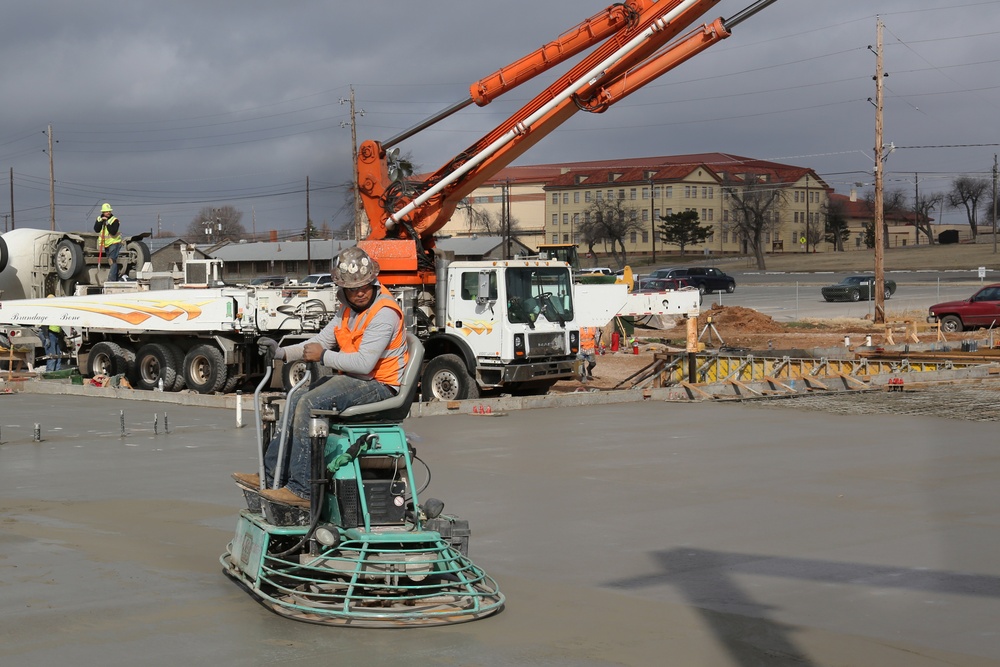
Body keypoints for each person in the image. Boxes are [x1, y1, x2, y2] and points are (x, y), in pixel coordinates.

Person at [233, 247, 409, 508]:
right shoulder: (347, 310)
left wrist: (324, 356)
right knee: (296, 399)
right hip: (357, 379)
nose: (359, 292)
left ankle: (302, 491)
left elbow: (364, 364)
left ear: (372, 281)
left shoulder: (384, 313)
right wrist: (281, 352)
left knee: (308, 403)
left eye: (364, 286)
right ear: (343, 288)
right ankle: (271, 477)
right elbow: (319, 342)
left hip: (380, 384)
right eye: (353, 288)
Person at [94, 203, 123, 282]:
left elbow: (113, 232)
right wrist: (101, 222)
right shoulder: (99, 219)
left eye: (109, 211)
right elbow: (96, 229)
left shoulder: (114, 220)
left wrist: (107, 223)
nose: (108, 213)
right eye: (106, 211)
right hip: (106, 244)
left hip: (114, 242)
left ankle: (112, 280)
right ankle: (116, 278)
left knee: (112, 260)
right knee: (111, 262)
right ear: (103, 212)